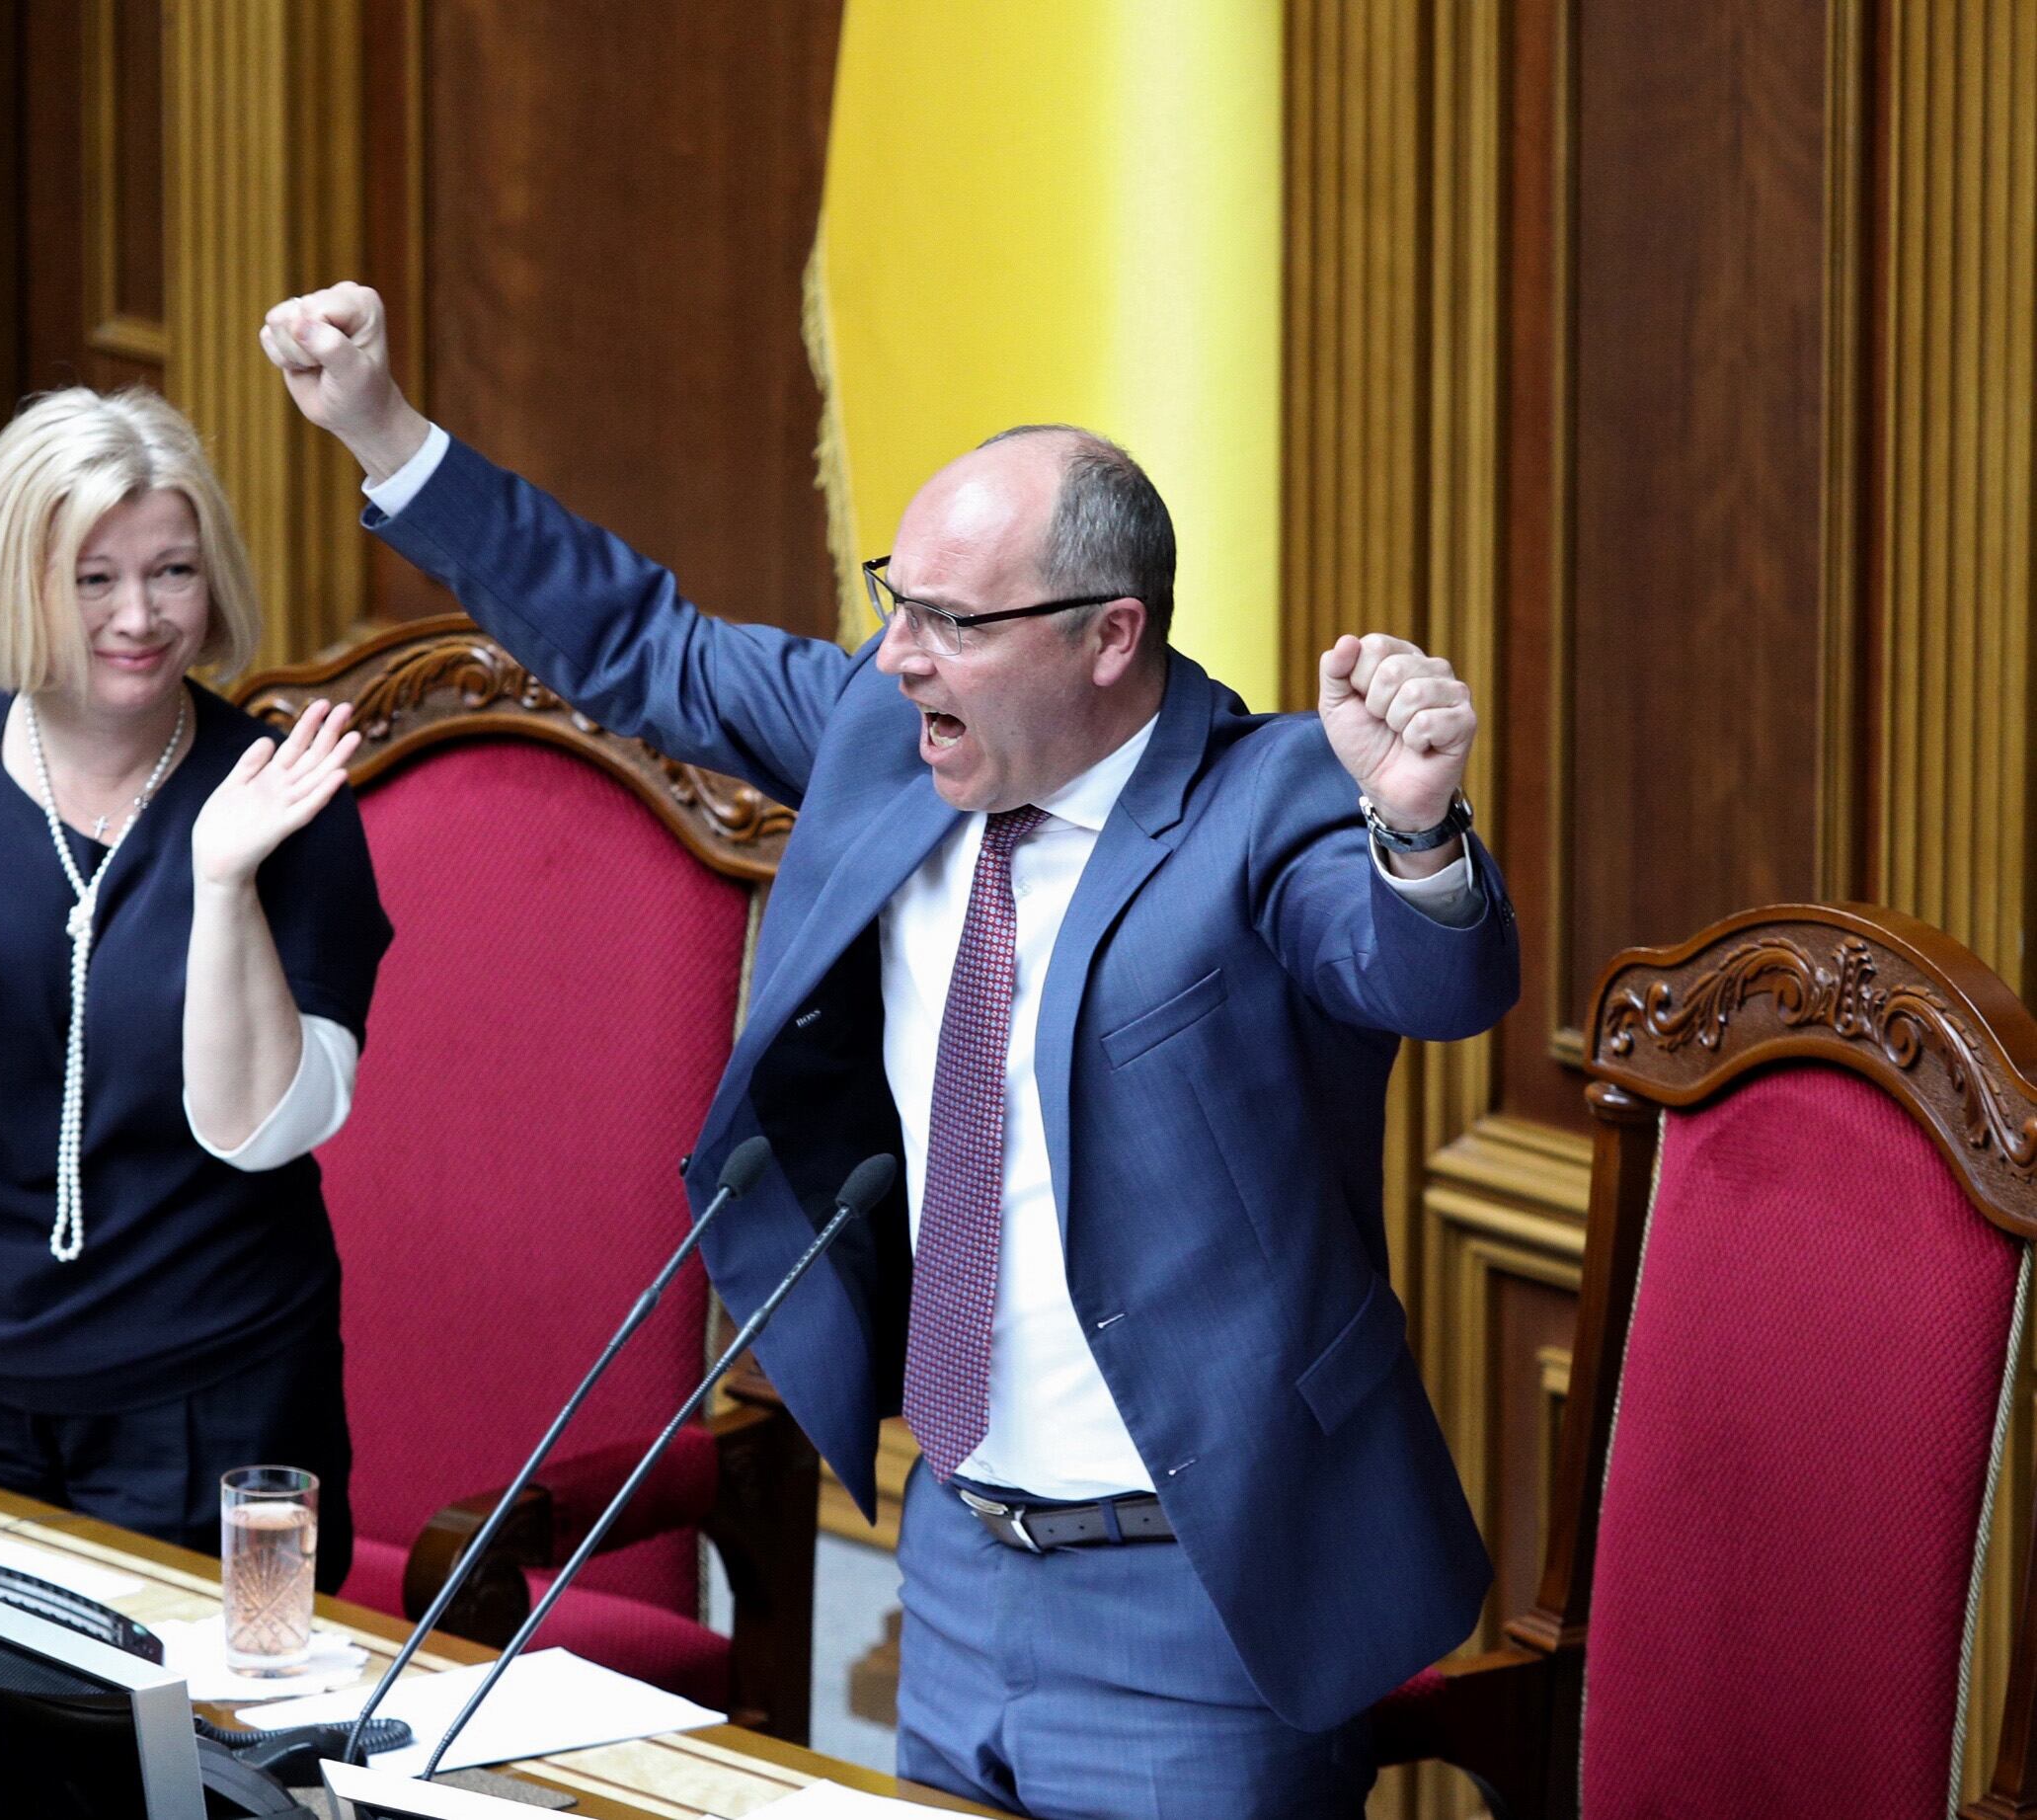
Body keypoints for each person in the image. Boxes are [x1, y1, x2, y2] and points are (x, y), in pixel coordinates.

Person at [260, 285, 1517, 1818]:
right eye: (893, 600)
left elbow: (1422, 976)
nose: (900, 653)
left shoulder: (1268, 801)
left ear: (1109, 635)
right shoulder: (884, 736)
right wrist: (384, 432)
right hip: (962, 1553)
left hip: (1195, 1583)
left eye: (951, 622)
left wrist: (1413, 824)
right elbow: (642, 642)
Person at [0, 387, 389, 1587]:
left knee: (216, 1766)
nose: (139, 618)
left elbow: (264, 1128)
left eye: (172, 571)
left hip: (217, 1399)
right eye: (92, 580)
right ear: (19, 583)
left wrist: (223, 882)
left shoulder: (275, 801)